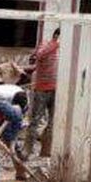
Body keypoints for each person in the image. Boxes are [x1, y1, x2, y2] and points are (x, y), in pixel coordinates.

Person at [26, 27, 60, 157]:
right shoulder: (46, 45)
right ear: (56, 35)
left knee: (53, 121)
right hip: (42, 89)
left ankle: (45, 150)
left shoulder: (62, 50)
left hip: (56, 89)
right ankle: (27, 151)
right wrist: (55, 44)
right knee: (35, 120)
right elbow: (39, 55)